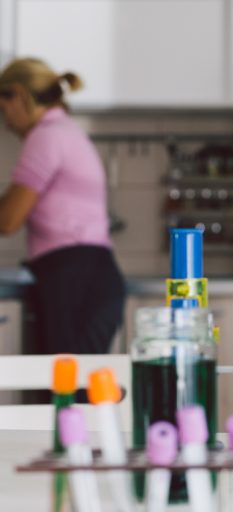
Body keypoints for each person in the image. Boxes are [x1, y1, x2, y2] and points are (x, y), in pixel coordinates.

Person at [0, 58, 125, 355]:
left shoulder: (46, 137)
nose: (4, 119)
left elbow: (7, 220)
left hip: (76, 279)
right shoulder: (63, 131)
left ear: (18, 95)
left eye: (2, 105)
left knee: (70, 391)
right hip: (86, 277)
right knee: (74, 391)